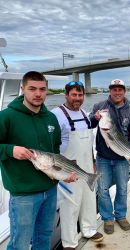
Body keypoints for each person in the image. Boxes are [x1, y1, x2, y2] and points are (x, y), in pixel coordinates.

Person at [0, 71, 67, 250]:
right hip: (23, 193)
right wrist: (10, 150)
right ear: (23, 89)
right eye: (32, 89)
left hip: (50, 189)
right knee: (20, 243)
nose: (38, 94)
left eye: (42, 89)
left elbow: (56, 150)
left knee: (44, 238)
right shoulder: (6, 117)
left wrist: (60, 174)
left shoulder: (51, 118)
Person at [51, 81, 104, 249]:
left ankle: (89, 229)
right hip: (67, 167)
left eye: (80, 95)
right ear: (66, 95)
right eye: (73, 94)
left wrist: (93, 162)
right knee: (69, 205)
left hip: (87, 164)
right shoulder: (56, 114)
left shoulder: (84, 114)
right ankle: (69, 242)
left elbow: (89, 142)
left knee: (88, 200)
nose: (77, 98)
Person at [90, 79, 130, 234]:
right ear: (109, 91)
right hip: (103, 157)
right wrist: (95, 118)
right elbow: (90, 123)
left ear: (124, 91)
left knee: (123, 189)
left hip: (121, 159)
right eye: (114, 89)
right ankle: (107, 218)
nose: (117, 92)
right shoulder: (100, 106)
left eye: (120, 89)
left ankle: (120, 216)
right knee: (102, 189)